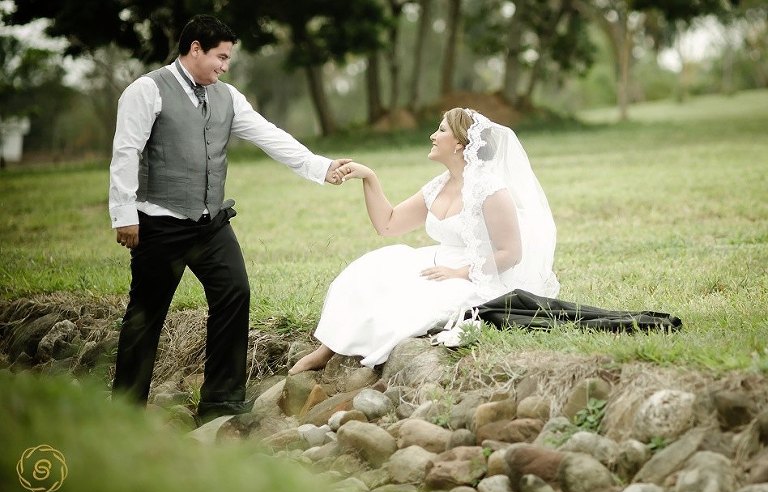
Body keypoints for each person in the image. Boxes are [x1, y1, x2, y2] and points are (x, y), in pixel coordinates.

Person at [108, 14, 349, 420]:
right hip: (159, 225)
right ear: (195, 49)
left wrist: (320, 167)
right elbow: (126, 151)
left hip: (210, 224)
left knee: (234, 294)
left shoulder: (227, 96)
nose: (224, 66)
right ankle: (126, 410)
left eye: (228, 59)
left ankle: (220, 401)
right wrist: (123, 212)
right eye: (220, 57)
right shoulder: (146, 89)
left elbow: (269, 135)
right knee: (146, 314)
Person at [289, 108, 560, 374]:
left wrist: (459, 272)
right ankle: (326, 349)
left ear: (459, 143)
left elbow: (510, 253)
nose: (432, 135)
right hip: (436, 263)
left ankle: (353, 355)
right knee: (370, 270)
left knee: (412, 299)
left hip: (476, 276)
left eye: (441, 130)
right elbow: (389, 223)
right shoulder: (438, 185)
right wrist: (369, 177)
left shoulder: (491, 190)